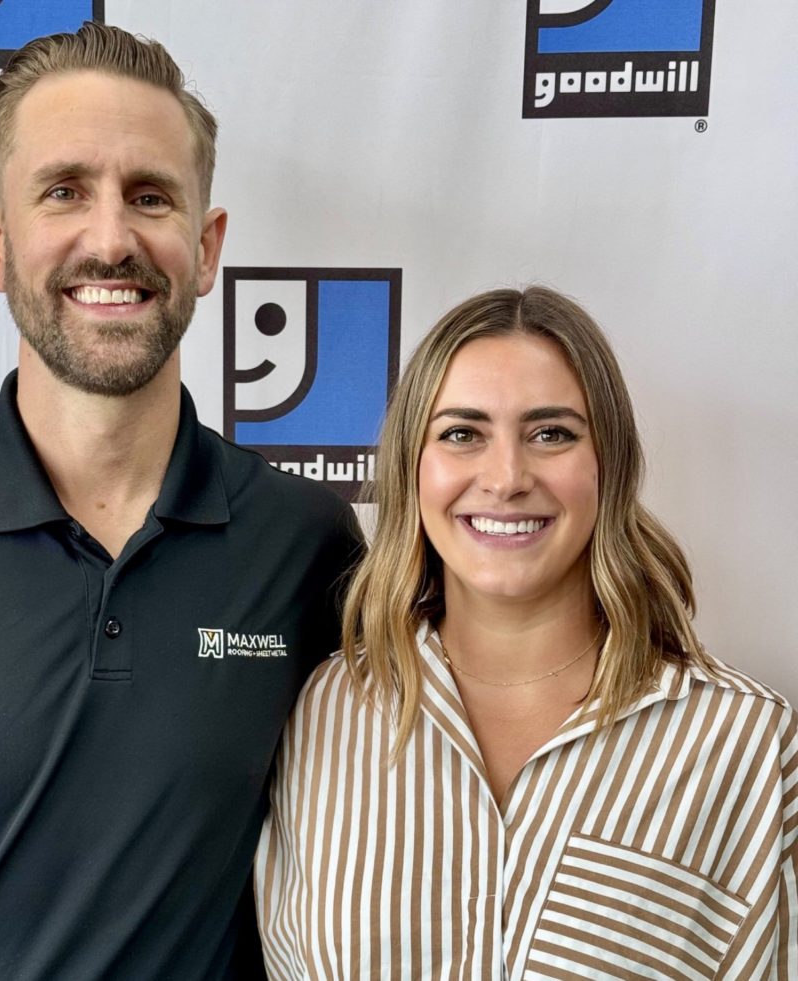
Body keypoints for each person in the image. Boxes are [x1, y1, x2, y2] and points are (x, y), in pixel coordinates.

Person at [0, 22, 361, 980]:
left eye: (150, 196)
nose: (111, 238)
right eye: (63, 191)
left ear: (206, 248)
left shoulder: (308, 547)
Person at [255, 287, 797, 979]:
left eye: (552, 433)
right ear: (412, 468)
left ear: (609, 465)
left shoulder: (742, 742)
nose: (507, 477)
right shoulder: (324, 709)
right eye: (462, 433)